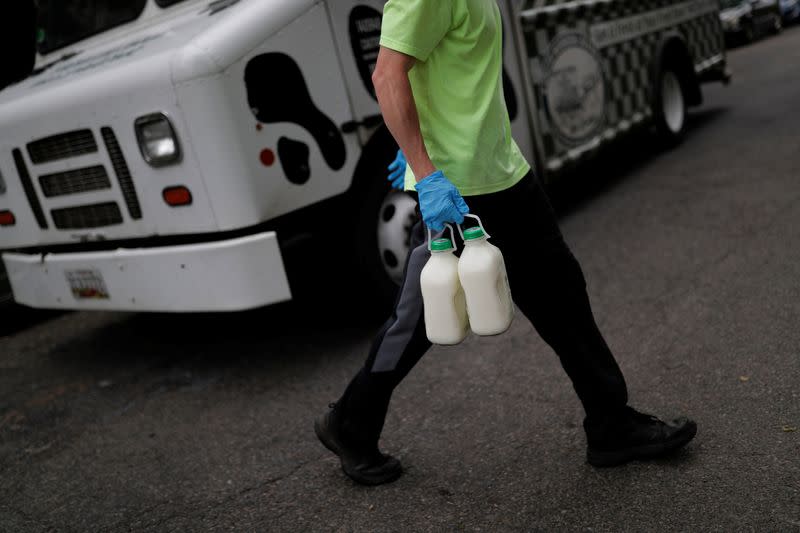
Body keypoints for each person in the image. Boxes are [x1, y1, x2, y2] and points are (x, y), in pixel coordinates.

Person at [315, 0, 697, 486]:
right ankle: (350, 423)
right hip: (457, 189)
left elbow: (441, 71)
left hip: (504, 173)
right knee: (417, 319)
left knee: (562, 296)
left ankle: (611, 423)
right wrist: (424, 170)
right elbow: (388, 75)